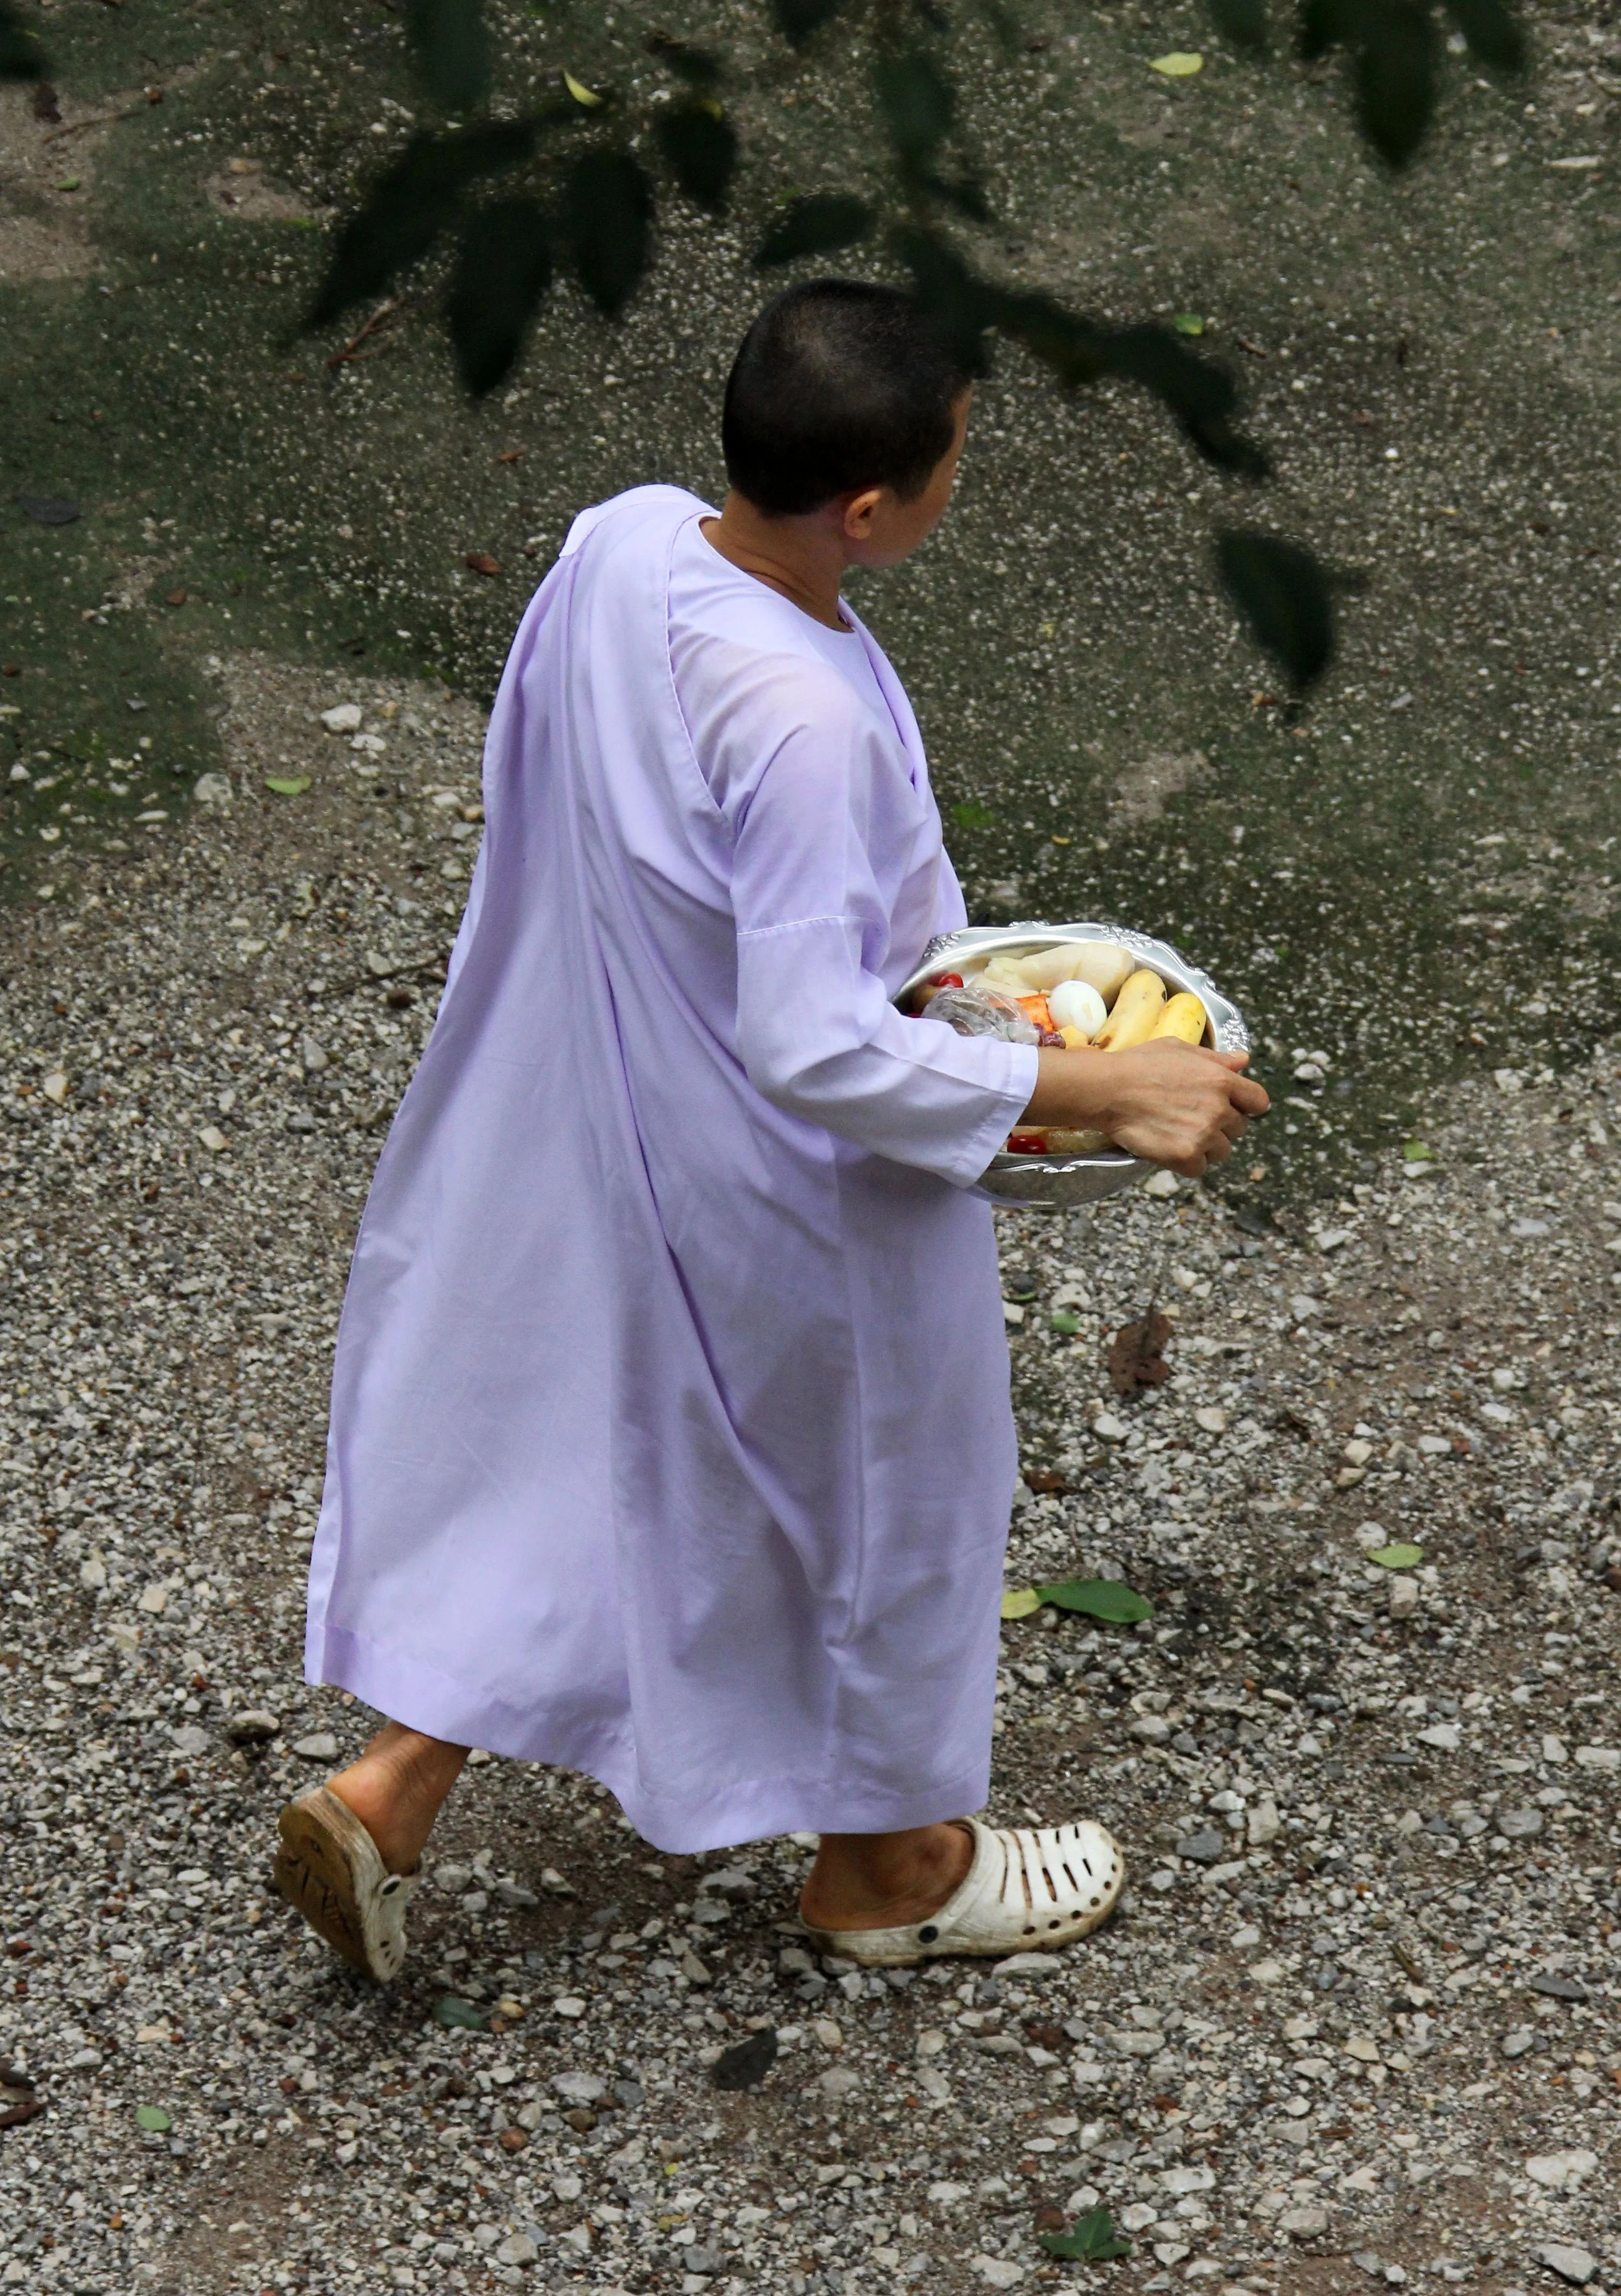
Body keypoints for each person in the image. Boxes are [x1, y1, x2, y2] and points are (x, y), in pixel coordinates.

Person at [274, 280, 1267, 1982]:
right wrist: (1090, 1083)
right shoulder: (800, 717)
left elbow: (567, 800)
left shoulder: (622, 545)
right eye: (955, 457)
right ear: (869, 509)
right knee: (891, 1496)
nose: (965, 476)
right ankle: (886, 1865)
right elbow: (811, 1039)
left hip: (622, 1109)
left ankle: (394, 1782)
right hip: (781, 1181)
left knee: (627, 1447)